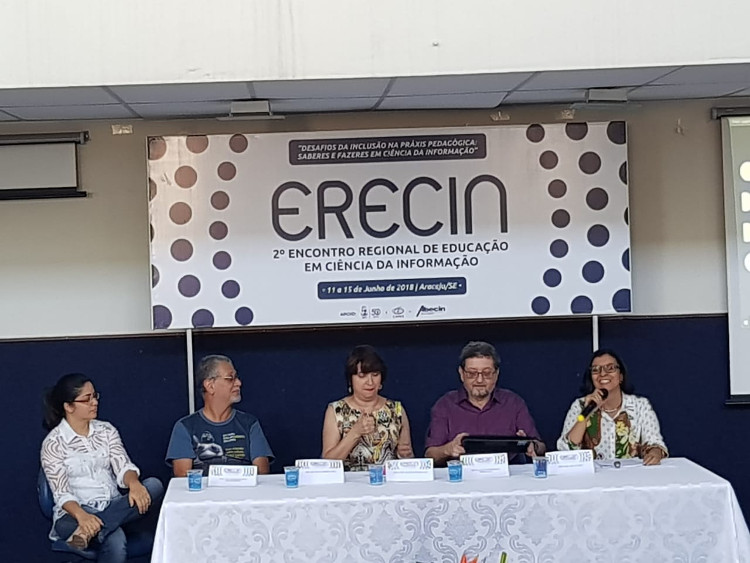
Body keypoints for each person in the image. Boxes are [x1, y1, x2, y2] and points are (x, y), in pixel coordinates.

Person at [40, 373, 164, 562]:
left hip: (112, 505)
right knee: (115, 538)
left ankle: (86, 533)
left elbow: (124, 466)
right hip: (72, 515)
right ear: (68, 406)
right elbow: (61, 494)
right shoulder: (53, 443)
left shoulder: (106, 430)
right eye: (87, 399)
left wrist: (134, 483)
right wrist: (83, 517)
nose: (95, 402)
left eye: (95, 396)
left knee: (154, 485)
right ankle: (98, 526)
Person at [425, 341, 544, 465]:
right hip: (461, 475)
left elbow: (541, 447)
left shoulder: (513, 403)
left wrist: (532, 446)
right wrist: (448, 449)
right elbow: (430, 454)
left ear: (496, 374)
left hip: (507, 474)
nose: (479, 380)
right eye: (472, 374)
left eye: (486, 373)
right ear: (461, 374)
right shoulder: (445, 405)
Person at [166, 354, 273, 476]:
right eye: (230, 378)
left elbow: (262, 473)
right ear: (210, 386)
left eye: (236, 378)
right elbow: (183, 477)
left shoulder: (250, 424)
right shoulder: (185, 427)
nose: (238, 383)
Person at [556, 348, 668, 465]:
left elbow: (654, 442)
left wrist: (655, 452)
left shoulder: (640, 406)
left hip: (631, 474)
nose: (603, 374)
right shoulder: (579, 406)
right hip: (593, 475)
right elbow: (565, 450)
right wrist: (586, 413)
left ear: (621, 376)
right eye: (596, 370)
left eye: (610, 368)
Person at [322, 345, 414, 471]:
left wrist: (406, 455)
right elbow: (327, 463)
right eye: (362, 376)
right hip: (349, 481)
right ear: (351, 379)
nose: (370, 382)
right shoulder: (336, 410)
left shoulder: (396, 410)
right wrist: (355, 433)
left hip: (388, 480)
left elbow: (409, 460)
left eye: (375, 375)